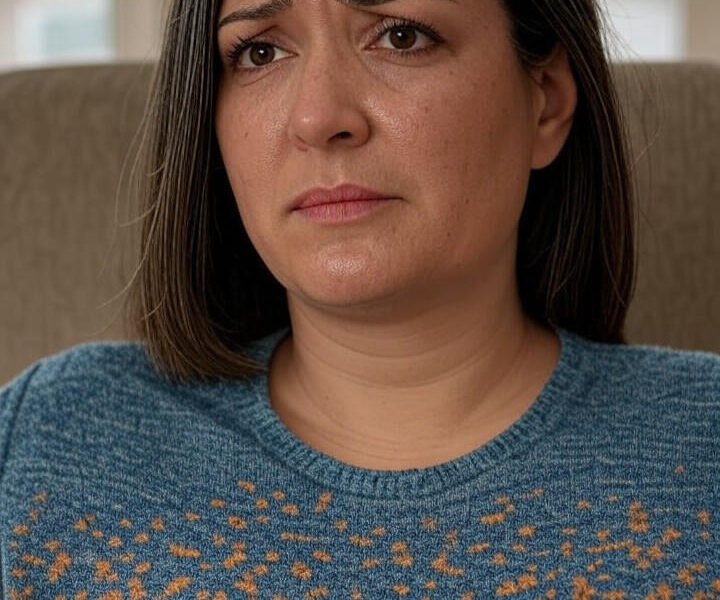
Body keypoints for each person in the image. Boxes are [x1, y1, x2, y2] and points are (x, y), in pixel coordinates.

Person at [1, 0, 719, 596]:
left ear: (547, 102)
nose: (318, 117)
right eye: (259, 52)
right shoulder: (50, 436)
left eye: (401, 36)